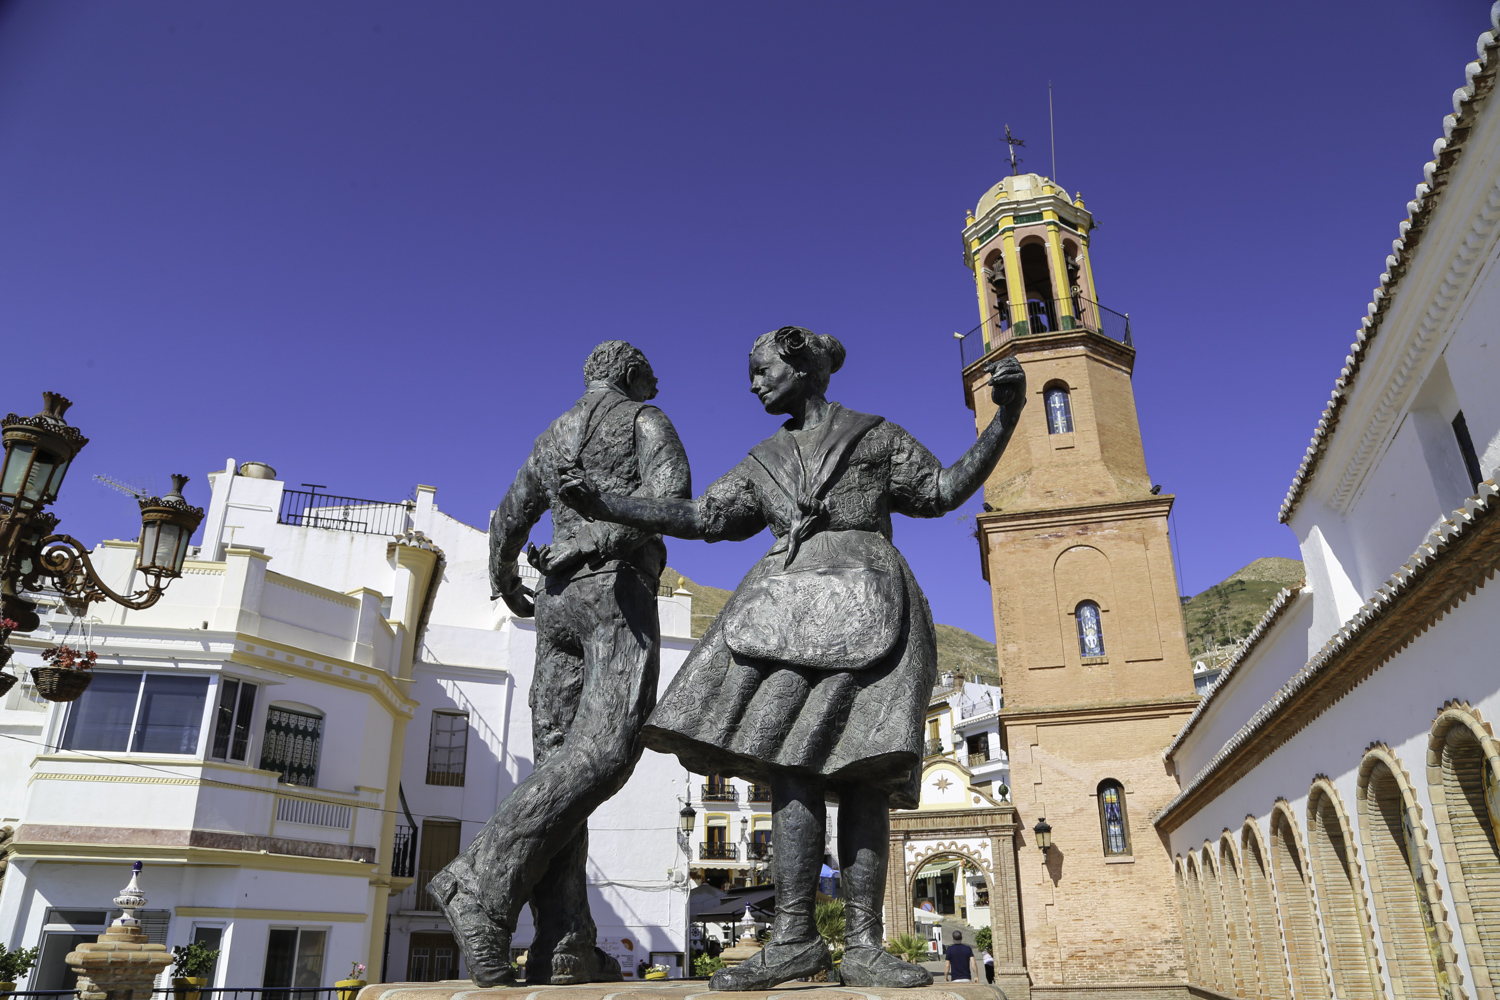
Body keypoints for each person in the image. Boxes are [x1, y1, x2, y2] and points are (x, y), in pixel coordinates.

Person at [560, 326, 1026, 990]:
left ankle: (863, 944)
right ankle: (794, 940)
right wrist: (606, 504)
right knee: (791, 772)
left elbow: (942, 490)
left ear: (801, 365)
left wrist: (1005, 418)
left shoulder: (874, 437)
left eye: (762, 369)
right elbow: (703, 516)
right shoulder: (764, 459)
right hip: (785, 615)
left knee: (865, 776)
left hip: (872, 606)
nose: (753, 383)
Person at [429, 340, 692, 987]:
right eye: (649, 377)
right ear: (629, 374)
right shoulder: (644, 421)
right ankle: (478, 884)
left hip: (554, 605)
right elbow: (670, 504)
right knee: (607, 750)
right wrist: (598, 540)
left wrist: (505, 578)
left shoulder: (554, 435)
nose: (656, 386)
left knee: (557, 764)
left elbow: (510, 516)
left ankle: (564, 940)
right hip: (614, 590)